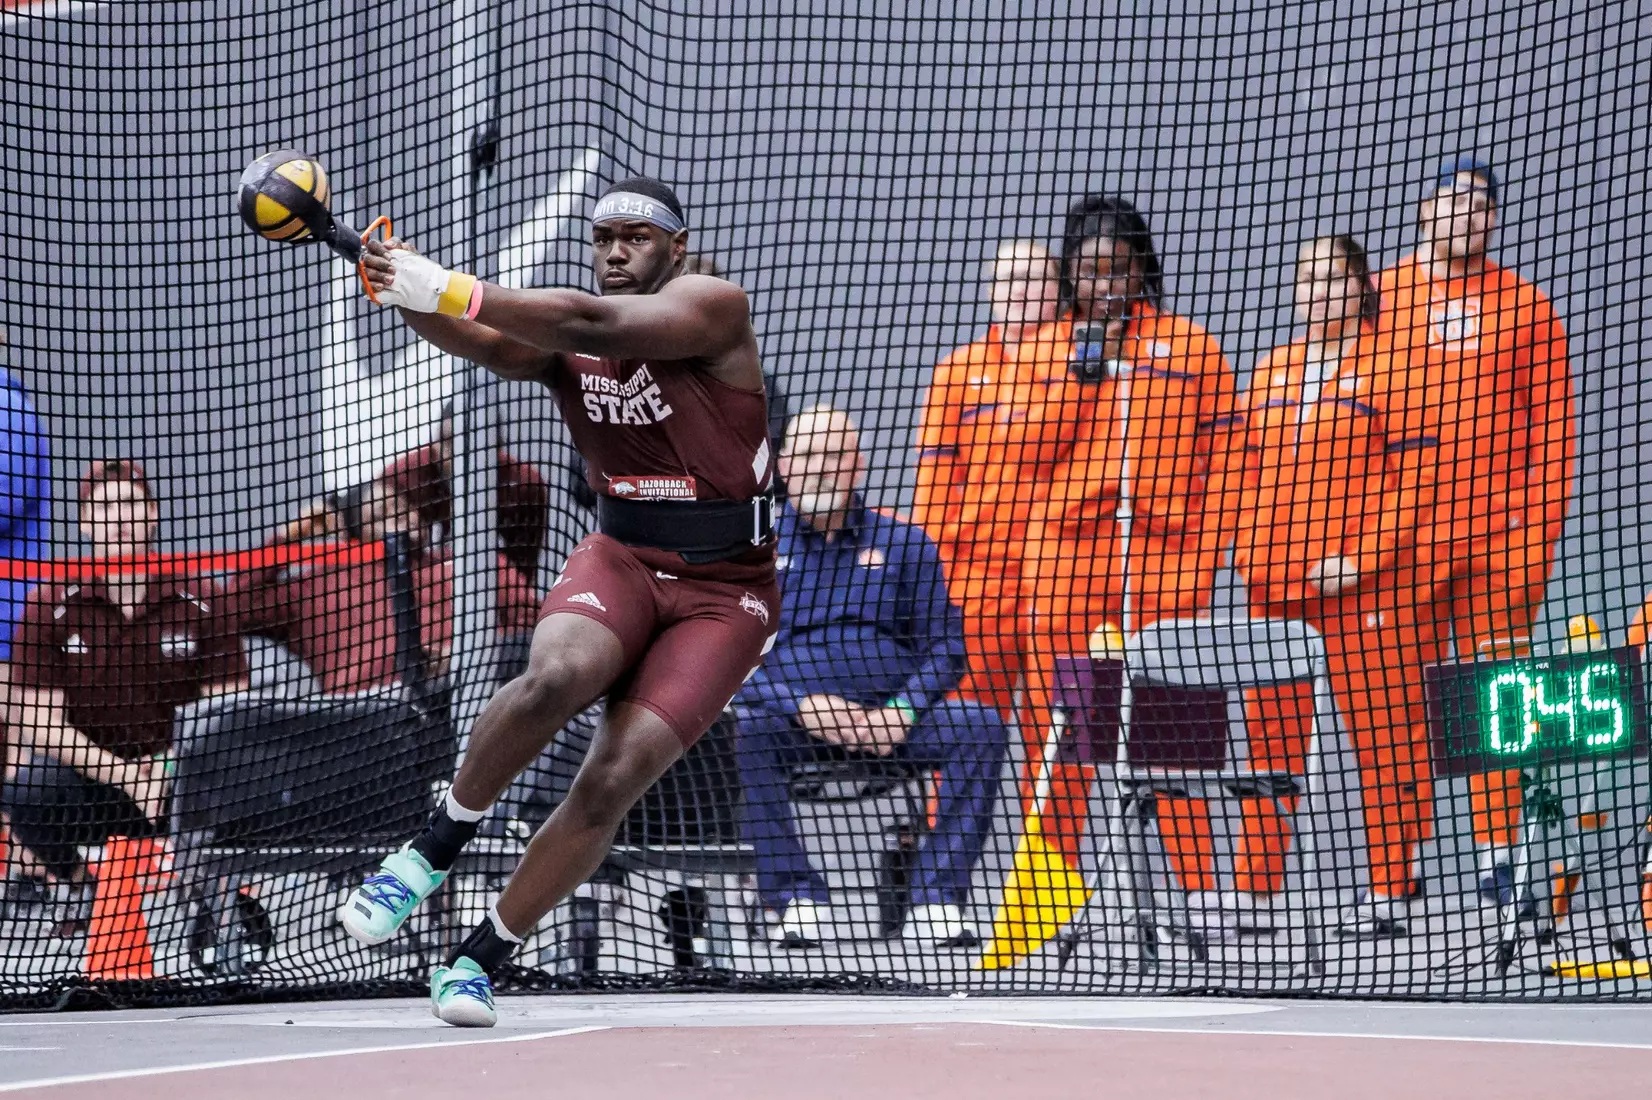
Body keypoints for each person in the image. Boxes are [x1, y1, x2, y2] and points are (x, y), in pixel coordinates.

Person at [336, 177, 780, 1028]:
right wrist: (399, 292)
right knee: (553, 676)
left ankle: (477, 959)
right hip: (623, 555)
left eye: (637, 238)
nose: (616, 251)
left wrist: (440, 281)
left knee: (612, 778)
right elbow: (486, 341)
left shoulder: (711, 306)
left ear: (675, 249)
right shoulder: (568, 336)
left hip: (726, 593)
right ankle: (428, 853)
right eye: (603, 236)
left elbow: (590, 320)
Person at [974, 196, 1238, 907]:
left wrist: (1201, 561)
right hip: (1065, 560)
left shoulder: (1191, 346)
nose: (1106, 286)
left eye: (1120, 270)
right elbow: (1024, 451)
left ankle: (1199, 893)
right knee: (1058, 728)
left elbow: (1228, 463)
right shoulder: (1043, 350)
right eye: (1089, 272)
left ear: (1143, 269)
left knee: (1173, 723)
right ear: (1069, 275)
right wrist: (1079, 371)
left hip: (1166, 561)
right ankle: (1048, 895)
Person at [1223, 236, 1440, 935]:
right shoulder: (1271, 370)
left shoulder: (1398, 368)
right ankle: (1256, 893)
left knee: (1387, 736)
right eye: (1306, 279)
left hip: (1364, 590)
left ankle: (1391, 887)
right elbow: (1244, 472)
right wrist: (1245, 545)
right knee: (1269, 743)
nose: (1317, 291)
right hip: (1276, 587)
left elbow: (1417, 481)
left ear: (1360, 289)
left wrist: (1363, 557)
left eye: (1333, 279)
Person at [734, 405, 1008, 949]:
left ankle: (936, 901)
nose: (821, 468)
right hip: (794, 723)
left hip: (894, 727)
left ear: (859, 465)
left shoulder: (906, 543)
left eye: (836, 455)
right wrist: (801, 706)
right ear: (783, 466)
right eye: (808, 456)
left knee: (980, 726)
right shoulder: (749, 549)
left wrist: (901, 711)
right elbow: (723, 657)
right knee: (745, 730)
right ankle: (796, 900)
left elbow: (947, 648)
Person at [1380, 156, 1577, 906]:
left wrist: (1537, 541)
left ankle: (1503, 861)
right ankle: (1392, 874)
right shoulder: (1375, 297)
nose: (1472, 213)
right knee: (1395, 705)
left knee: (1497, 699)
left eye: (1486, 205)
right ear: (1424, 210)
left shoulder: (1527, 306)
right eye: (1456, 199)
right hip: (1401, 544)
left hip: (1499, 538)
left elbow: (1553, 432)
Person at [2, 461, 247, 930]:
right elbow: (39, 723)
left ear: (153, 514)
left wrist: (168, 768)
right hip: (91, 778)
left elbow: (228, 709)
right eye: (104, 507)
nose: (119, 517)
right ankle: (79, 883)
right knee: (25, 792)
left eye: (131, 504)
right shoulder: (47, 604)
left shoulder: (202, 596)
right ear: (84, 522)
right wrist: (126, 776)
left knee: (240, 775)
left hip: (179, 777)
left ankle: (211, 892)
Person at [914, 241, 1060, 725]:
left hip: (1064, 572)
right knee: (964, 724)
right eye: (1008, 279)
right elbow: (935, 483)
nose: (1019, 290)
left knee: (1060, 730)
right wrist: (931, 575)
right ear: (991, 290)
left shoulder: (1086, 366)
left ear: (1057, 289)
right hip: (978, 578)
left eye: (1033, 278)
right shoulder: (957, 371)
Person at [235, 476, 538, 694]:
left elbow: (531, 634)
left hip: (470, 692)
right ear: (353, 533)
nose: (401, 516)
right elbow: (235, 607)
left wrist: (469, 657)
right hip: (367, 722)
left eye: (402, 506)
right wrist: (290, 536)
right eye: (382, 514)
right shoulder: (314, 585)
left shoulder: (471, 562)